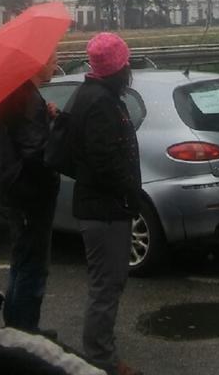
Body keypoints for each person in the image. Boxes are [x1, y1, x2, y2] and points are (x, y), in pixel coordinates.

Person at [66, 33, 142, 375]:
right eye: (125, 63)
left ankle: (101, 352)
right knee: (106, 285)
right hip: (104, 210)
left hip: (106, 207)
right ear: (117, 69)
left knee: (110, 282)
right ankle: (101, 359)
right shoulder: (98, 102)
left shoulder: (98, 95)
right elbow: (103, 161)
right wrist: (129, 192)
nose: (129, 69)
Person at [0, 51, 60, 337]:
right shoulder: (27, 98)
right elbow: (36, 153)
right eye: (52, 57)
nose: (56, 61)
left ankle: (16, 329)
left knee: (21, 261)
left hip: (11, 189)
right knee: (32, 266)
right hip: (28, 194)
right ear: (37, 63)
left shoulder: (17, 93)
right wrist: (53, 129)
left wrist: (46, 115)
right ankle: (24, 334)